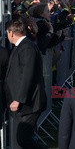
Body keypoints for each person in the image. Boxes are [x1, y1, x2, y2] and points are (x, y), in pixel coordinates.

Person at [5, 19, 47, 149]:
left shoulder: (27, 47)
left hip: (31, 103)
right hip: (26, 104)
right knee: (24, 138)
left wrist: (18, 99)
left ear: (11, 33)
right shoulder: (22, 46)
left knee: (22, 139)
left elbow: (27, 75)